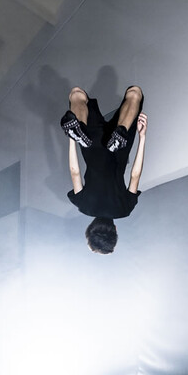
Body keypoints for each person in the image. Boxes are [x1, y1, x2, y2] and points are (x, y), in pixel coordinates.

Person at [60, 84, 147, 254]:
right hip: (93, 148)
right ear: (90, 228)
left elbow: (135, 175)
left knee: (134, 94)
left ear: (115, 230)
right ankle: (79, 131)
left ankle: (121, 130)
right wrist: (72, 139)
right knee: (76, 95)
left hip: (119, 152)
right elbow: (75, 171)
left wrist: (142, 137)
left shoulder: (125, 209)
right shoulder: (83, 206)